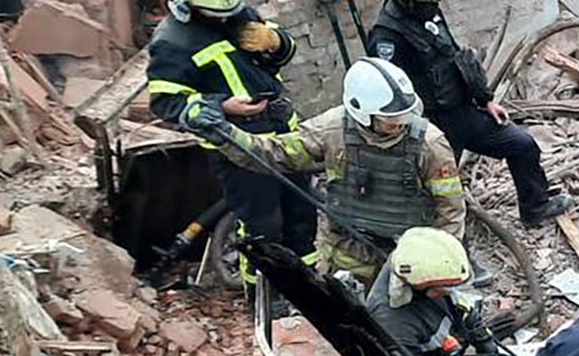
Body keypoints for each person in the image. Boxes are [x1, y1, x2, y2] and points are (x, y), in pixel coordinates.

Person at [181, 56, 465, 282]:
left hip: (408, 257)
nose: (400, 123)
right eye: (390, 118)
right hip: (347, 255)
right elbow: (273, 155)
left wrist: (442, 265)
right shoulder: (332, 130)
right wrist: (225, 135)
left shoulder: (430, 144)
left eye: (404, 115)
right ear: (361, 113)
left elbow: (450, 210)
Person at [145, 0, 315, 294]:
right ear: (189, 5)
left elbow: (279, 57)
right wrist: (219, 106)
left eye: (231, 13)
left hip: (283, 133)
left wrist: (275, 42)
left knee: (302, 216)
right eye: (217, 16)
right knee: (262, 226)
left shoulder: (237, 13)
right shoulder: (172, 42)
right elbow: (166, 102)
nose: (227, 20)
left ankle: (309, 291)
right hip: (238, 147)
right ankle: (267, 297)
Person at [367, 0, 572, 228]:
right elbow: (388, 92)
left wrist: (485, 100)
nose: (435, 7)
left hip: (463, 112)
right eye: (429, 3)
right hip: (431, 126)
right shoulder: (386, 36)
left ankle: (536, 207)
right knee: (439, 189)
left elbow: (455, 60)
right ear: (407, 0)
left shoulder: (429, 15)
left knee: (522, 146)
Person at [365, 227, 513, 356]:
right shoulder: (394, 324)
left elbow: (461, 304)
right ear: (418, 285)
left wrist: (483, 339)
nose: (450, 292)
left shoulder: (418, 262)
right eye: (444, 289)